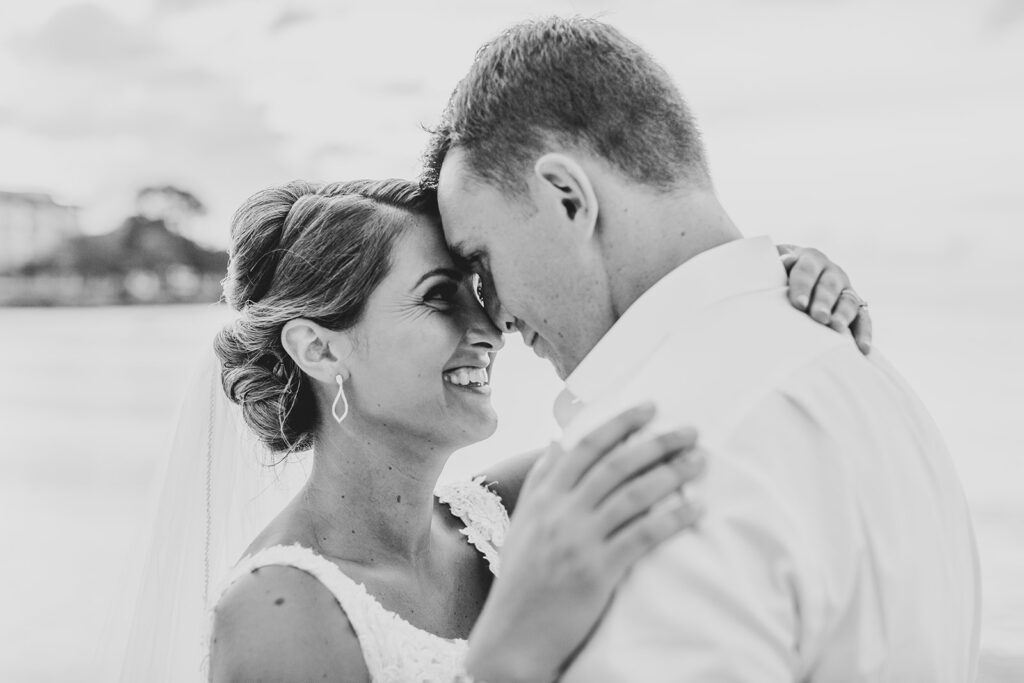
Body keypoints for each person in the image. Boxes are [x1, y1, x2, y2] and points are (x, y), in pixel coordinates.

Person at [424, 16, 980, 683]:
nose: (493, 313)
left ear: (568, 198)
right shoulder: (863, 370)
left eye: (480, 260)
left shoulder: (642, 472)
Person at [164, 177, 873, 683]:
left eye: (481, 294)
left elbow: (681, 404)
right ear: (320, 349)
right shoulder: (276, 609)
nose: (491, 327)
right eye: (440, 298)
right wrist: (513, 654)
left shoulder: (508, 510)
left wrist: (765, 286)